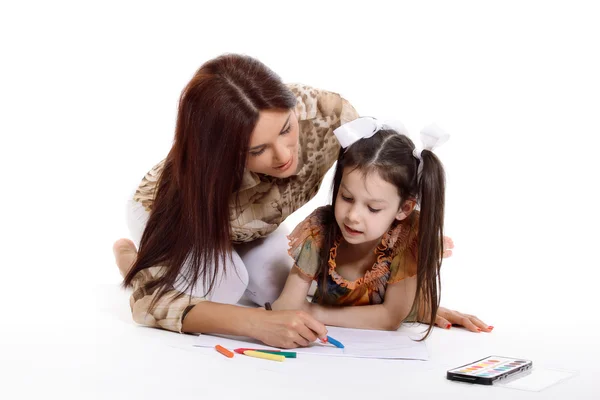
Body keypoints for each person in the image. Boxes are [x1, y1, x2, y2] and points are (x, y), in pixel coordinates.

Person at [113, 54, 490, 349]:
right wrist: (256, 325)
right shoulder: (190, 184)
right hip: (186, 219)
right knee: (224, 290)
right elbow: (149, 304)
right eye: (258, 149)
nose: (283, 156)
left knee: (276, 286)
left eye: (286, 129)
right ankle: (132, 258)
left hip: (257, 224)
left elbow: (380, 183)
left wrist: (411, 300)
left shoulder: (329, 117)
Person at [272, 117, 492, 339]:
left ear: (404, 208)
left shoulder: (406, 237)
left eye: (373, 208)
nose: (353, 217)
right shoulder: (319, 228)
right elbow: (287, 304)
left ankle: (417, 306)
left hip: (390, 312)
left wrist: (311, 311)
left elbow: (389, 319)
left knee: (415, 305)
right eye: (346, 197)